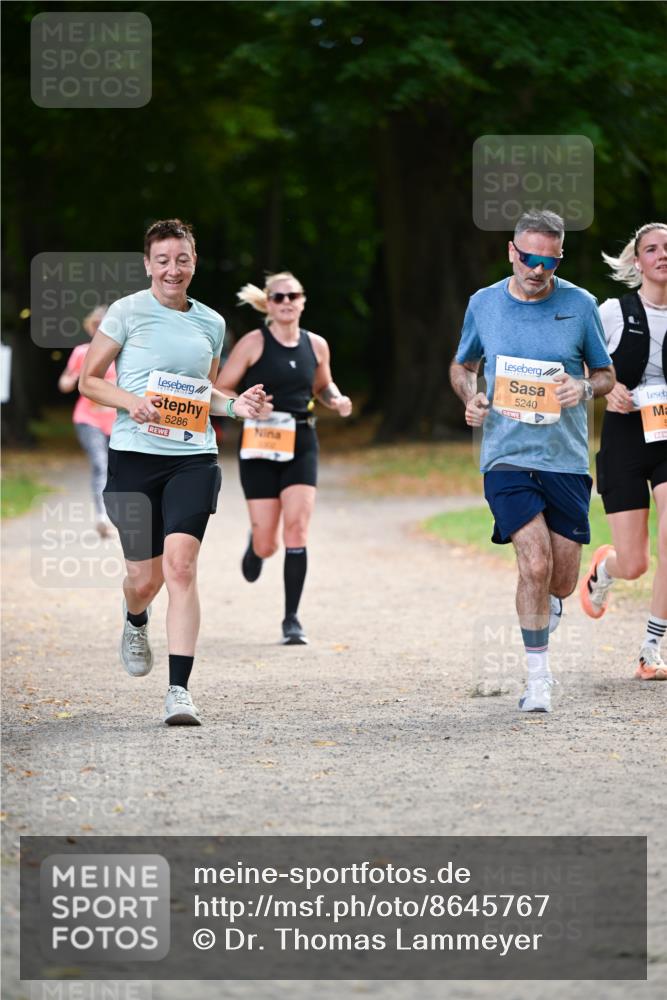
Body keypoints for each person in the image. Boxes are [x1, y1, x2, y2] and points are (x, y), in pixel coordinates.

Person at [79, 219, 265, 726]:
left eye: (181, 259)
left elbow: (207, 396)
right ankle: (135, 617)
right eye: (162, 260)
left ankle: (179, 690)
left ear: (194, 263)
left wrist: (239, 407)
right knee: (145, 579)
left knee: (182, 567)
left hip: (192, 458)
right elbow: (89, 382)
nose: (172, 269)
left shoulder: (211, 323)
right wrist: (131, 402)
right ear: (147, 265)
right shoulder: (126, 312)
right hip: (134, 457)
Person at [449, 210, 615, 713]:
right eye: (528, 258)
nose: (537, 269)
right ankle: (538, 679)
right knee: (534, 562)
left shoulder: (580, 304)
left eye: (548, 260)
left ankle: (563, 598)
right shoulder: (484, 304)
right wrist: (470, 396)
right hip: (506, 456)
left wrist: (584, 387)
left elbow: (605, 375)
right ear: (511, 252)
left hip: (565, 458)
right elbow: (463, 365)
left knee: (560, 579)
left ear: (559, 257)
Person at [215, 271, 352, 645]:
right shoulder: (253, 343)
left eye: (293, 295)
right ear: (268, 304)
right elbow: (222, 387)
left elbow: (323, 385)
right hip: (259, 442)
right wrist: (245, 406)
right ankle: (256, 543)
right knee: (268, 543)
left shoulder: (317, 345)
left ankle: (292, 619)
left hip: (302, 440)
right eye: (278, 297)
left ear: (303, 300)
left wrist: (336, 399)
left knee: (297, 528)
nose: (287, 302)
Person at [580, 222, 667, 681]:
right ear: (637, 262)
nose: (662, 255)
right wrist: (605, 389)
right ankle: (605, 569)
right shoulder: (613, 311)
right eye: (651, 249)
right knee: (636, 563)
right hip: (626, 440)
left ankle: (650, 650)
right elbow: (579, 363)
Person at [58, 306, 116, 537]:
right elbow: (64, 383)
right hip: (88, 419)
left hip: (117, 420)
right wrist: (71, 378)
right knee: (100, 464)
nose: (100, 329)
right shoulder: (82, 352)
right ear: (91, 328)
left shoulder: (122, 353)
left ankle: (116, 516)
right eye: (96, 325)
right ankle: (102, 518)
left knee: (117, 469)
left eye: (105, 325)